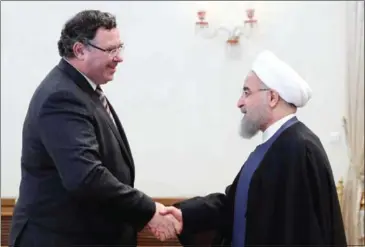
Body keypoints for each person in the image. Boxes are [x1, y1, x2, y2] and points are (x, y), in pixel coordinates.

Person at [9, 10, 179, 247]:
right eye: (111, 50)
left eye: (120, 47)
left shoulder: (82, 90)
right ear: (80, 50)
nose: (119, 58)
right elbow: (86, 177)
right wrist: (148, 210)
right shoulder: (62, 96)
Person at [159, 50, 347, 247]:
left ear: (272, 97)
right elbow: (233, 206)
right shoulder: (270, 147)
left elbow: (303, 234)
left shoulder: (299, 149)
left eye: (247, 92)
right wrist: (185, 215)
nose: (240, 102)